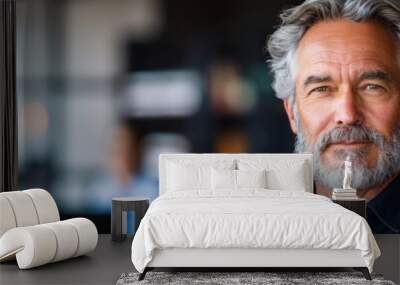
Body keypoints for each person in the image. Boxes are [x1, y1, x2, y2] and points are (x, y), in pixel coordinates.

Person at [267, 0, 400, 233]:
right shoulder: (265, 228)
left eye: (372, 86)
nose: (347, 115)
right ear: (292, 112)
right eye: (322, 89)